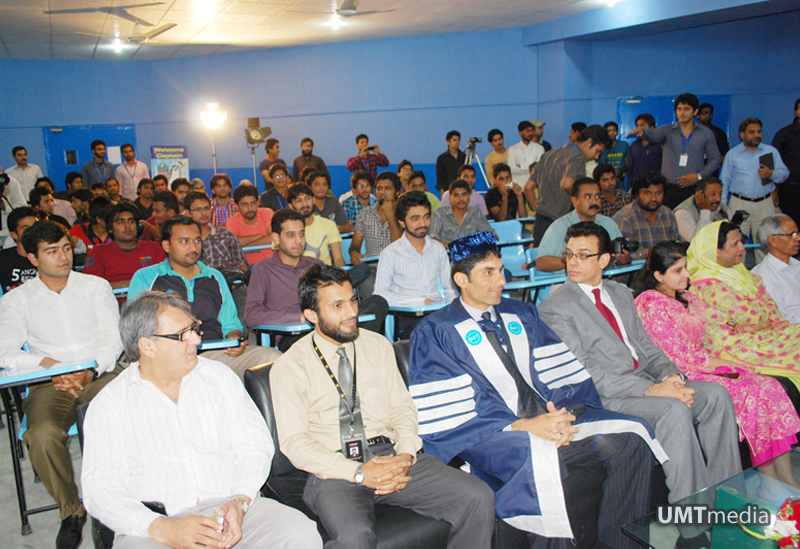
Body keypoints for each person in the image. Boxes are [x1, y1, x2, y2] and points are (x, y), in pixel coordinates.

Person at [410, 232, 664, 548]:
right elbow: (453, 410)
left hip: (543, 418)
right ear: (461, 279)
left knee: (632, 439)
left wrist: (560, 415)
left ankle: (619, 543)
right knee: (540, 461)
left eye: (501, 270)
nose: (500, 280)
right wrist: (526, 426)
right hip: (491, 434)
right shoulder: (436, 332)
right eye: (488, 273)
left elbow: (556, 374)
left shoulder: (522, 313)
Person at [270, 264, 496, 549]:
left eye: (353, 300)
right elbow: (295, 443)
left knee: (477, 496)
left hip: (389, 453)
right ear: (311, 315)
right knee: (354, 538)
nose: (352, 312)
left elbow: (403, 409)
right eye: (337, 305)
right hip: (335, 468)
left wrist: (404, 455)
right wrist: (360, 473)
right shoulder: (290, 366)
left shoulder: (376, 345)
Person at [82, 291, 322, 549]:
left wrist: (239, 501)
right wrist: (162, 527)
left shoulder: (218, 378)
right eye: (183, 334)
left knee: (299, 534)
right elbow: (100, 490)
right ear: (147, 346)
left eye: (194, 328)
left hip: (232, 509)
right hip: (154, 527)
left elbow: (255, 444)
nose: (197, 339)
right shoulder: (110, 404)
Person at [538, 222, 742, 505]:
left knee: (716, 395)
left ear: (604, 260)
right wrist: (651, 390)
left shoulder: (620, 293)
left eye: (583, 255)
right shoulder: (555, 307)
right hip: (605, 396)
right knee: (673, 409)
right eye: (570, 254)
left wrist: (671, 377)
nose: (573, 262)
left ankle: (727, 495)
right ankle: (694, 516)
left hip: (646, 380)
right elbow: (584, 371)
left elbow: (646, 345)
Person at [635, 241, 800, 486]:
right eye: (678, 271)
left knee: (770, 386)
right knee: (753, 393)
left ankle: (787, 479)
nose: (687, 275)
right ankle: (769, 483)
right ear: (658, 275)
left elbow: (706, 337)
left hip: (706, 362)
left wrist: (732, 358)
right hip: (680, 373)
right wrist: (726, 364)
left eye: (686, 268)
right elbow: (677, 354)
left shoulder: (687, 297)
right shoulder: (652, 303)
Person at [0, 220, 122, 549]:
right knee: (40, 435)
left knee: (137, 411)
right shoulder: (16, 300)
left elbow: (112, 338)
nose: (63, 257)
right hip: (49, 383)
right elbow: (5, 351)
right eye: (52, 252)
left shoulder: (95, 287)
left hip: (101, 374)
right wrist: (52, 368)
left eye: (66, 248)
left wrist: (89, 371)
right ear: (32, 258)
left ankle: (129, 496)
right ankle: (72, 510)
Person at [129, 216, 280, 380]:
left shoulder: (214, 277)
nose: (193, 247)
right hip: (169, 358)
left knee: (273, 359)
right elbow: (135, 330)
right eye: (184, 241)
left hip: (215, 354)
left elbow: (231, 324)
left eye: (197, 241)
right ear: (166, 245)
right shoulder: (146, 277)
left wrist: (235, 339)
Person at [245, 209, 387, 351]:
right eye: (290, 235)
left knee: (378, 302)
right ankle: (350, 348)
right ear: (276, 238)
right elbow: (252, 315)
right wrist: (300, 317)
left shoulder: (315, 265)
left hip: (330, 326)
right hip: (295, 335)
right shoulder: (263, 270)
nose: (298, 241)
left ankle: (350, 348)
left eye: (301, 234)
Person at [687, 221, 800, 392]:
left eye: (741, 241)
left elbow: (771, 309)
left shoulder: (738, 271)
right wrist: (760, 313)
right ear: (715, 251)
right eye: (735, 244)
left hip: (760, 334)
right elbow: (752, 314)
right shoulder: (707, 283)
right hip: (735, 345)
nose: (743, 247)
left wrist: (762, 322)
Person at [375, 191, 456, 338]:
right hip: (408, 317)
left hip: (438, 313)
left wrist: (452, 311)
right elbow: (380, 295)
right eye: (415, 219)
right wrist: (418, 302)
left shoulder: (438, 249)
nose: (423, 224)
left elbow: (449, 287)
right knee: (431, 337)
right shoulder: (390, 254)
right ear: (402, 222)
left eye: (426, 217)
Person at [627, 93, 721, 209]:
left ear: (695, 111)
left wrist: (699, 176)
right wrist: (643, 131)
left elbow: (715, 159)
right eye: (679, 109)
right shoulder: (667, 130)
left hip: (694, 189)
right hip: (669, 190)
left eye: (686, 109)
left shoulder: (706, 133)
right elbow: (654, 135)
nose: (682, 112)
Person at [721, 117, 789, 262]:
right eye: (752, 132)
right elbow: (724, 181)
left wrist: (771, 174)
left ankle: (764, 280)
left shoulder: (770, 151)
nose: (756, 135)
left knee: (766, 243)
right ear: (742, 134)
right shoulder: (733, 154)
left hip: (765, 203)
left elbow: (784, 174)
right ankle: (739, 280)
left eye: (759, 132)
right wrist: (723, 206)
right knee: (736, 243)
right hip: (739, 203)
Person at [530, 124, 612, 243]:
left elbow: (528, 188)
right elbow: (567, 184)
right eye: (597, 151)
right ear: (589, 142)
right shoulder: (578, 157)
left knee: (542, 259)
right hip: (562, 223)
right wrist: (582, 198)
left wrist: (539, 210)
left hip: (540, 222)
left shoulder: (549, 154)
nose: (597, 156)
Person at [186, 190, 249, 329]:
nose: (203, 213)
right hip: (198, 289)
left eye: (206, 208)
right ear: (187, 213)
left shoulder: (226, 235)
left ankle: (238, 342)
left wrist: (233, 279)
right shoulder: (185, 242)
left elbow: (243, 265)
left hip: (231, 288)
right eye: (197, 209)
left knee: (242, 316)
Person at [536, 178, 626, 272]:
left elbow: (620, 256)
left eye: (597, 196)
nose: (594, 202)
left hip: (604, 280)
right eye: (587, 197)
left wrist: (624, 258)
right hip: (568, 283)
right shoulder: (559, 227)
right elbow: (541, 263)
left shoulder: (609, 224)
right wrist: (573, 260)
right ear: (575, 201)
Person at [84, 201, 165, 291]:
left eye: (131, 221)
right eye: (120, 222)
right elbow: (91, 286)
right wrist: (133, 283)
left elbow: (167, 279)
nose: (127, 226)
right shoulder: (99, 252)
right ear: (110, 228)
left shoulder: (154, 248)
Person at [349, 171, 404, 296]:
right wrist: (354, 253)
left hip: (398, 268)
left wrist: (391, 216)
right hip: (372, 268)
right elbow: (355, 245)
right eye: (379, 188)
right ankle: (373, 313)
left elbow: (400, 246)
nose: (382, 192)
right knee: (365, 277)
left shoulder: (404, 214)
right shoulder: (365, 214)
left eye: (387, 188)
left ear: (397, 192)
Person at [613, 172, 681, 261]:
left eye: (658, 193)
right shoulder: (625, 218)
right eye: (648, 193)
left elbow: (675, 246)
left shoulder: (668, 214)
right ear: (636, 194)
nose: (654, 198)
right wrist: (659, 253)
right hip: (636, 272)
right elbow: (623, 256)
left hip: (666, 269)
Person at [753, 214, 800, 324]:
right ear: (773, 240)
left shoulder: (796, 265)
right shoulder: (763, 276)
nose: (798, 238)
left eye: (797, 233)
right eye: (791, 235)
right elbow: (779, 320)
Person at [287, 183, 346, 267]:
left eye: (307, 198)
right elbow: (282, 262)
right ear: (291, 206)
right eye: (298, 200)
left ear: (313, 200)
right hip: (298, 276)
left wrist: (339, 276)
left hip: (325, 275)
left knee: (363, 269)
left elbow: (338, 259)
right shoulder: (285, 229)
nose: (304, 204)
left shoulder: (328, 224)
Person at [430, 179, 495, 248]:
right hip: (446, 256)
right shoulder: (439, 214)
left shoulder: (476, 213)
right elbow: (431, 238)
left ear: (469, 196)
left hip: (472, 256)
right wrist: (452, 247)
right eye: (456, 195)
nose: (461, 199)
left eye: (464, 194)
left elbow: (491, 236)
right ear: (450, 198)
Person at [227, 184, 274, 265]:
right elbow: (231, 243)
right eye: (244, 204)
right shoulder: (232, 221)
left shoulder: (267, 213)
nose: (250, 208)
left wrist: (246, 247)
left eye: (253, 203)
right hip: (247, 267)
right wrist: (258, 236)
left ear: (258, 202)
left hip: (271, 263)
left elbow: (273, 237)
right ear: (236, 206)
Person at [772, 98, 800, 228]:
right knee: (790, 226)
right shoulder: (784, 134)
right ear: (796, 111)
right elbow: (772, 164)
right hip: (789, 190)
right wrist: (773, 189)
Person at [0, 206, 39, 293]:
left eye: (36, 226)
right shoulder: (3, 259)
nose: (33, 231)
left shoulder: (49, 256)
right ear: (14, 234)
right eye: (26, 228)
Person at [627, 113, 663, 190]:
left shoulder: (660, 145)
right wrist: (630, 187)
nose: (638, 129)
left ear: (652, 128)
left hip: (654, 186)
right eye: (638, 126)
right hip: (638, 187)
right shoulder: (634, 145)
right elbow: (631, 168)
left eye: (642, 125)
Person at [508, 120, 545, 187]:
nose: (530, 133)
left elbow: (539, 168)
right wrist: (530, 168)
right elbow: (512, 169)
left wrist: (520, 166)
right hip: (517, 187)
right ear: (520, 133)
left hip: (533, 187)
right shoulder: (513, 149)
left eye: (531, 130)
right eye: (527, 131)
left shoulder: (539, 148)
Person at [597, 121, 630, 186]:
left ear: (617, 132)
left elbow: (627, 163)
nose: (612, 132)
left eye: (614, 130)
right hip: (604, 181)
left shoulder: (624, 145)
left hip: (619, 181)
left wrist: (623, 175)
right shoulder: (601, 147)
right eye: (609, 131)